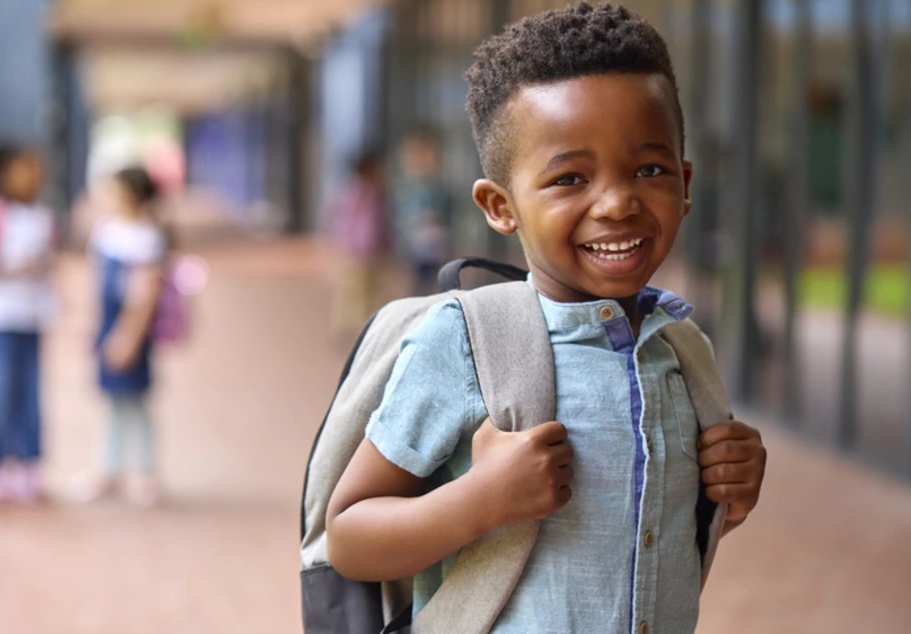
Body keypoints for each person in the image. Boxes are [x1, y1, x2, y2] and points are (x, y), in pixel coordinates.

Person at [326, 4, 768, 633]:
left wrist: (731, 491)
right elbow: (348, 536)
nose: (618, 202)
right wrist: (479, 502)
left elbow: (648, 529)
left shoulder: (684, 352)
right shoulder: (469, 344)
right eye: (569, 178)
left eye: (649, 169)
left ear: (686, 182)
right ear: (500, 206)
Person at [0, 141, 56, 507]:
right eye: (27, 168)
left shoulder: (41, 216)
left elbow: (49, 264)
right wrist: (13, 268)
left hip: (31, 318)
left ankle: (27, 466)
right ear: (5, 171)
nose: (36, 177)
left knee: (31, 396)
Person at [80, 167, 167, 506]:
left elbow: (144, 295)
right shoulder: (106, 231)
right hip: (108, 324)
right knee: (113, 402)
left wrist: (128, 336)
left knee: (136, 402)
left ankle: (145, 471)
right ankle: (108, 468)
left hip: (130, 329)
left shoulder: (147, 237)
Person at [329, 152, 389, 335]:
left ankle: (360, 325)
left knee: (364, 289)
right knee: (357, 289)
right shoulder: (363, 192)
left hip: (364, 248)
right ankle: (358, 327)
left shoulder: (362, 190)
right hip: (361, 249)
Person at [393, 127, 453, 296]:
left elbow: (447, 215)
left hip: (435, 245)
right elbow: (398, 217)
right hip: (412, 246)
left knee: (435, 284)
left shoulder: (440, 188)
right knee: (414, 286)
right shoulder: (405, 188)